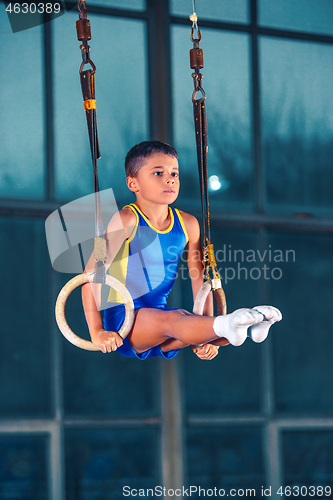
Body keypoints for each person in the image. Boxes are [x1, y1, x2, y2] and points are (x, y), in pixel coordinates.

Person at [82, 141, 282, 360]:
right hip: (124, 322)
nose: (170, 179)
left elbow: (201, 283)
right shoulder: (123, 220)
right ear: (133, 183)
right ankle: (227, 325)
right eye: (158, 173)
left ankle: (253, 325)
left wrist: (205, 331)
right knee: (176, 319)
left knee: (185, 320)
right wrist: (97, 331)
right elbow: (91, 276)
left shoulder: (188, 224)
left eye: (174, 173)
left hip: (164, 319)